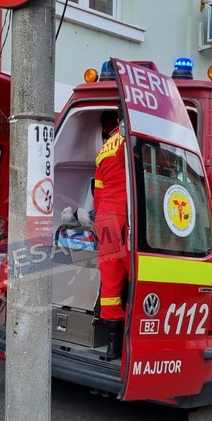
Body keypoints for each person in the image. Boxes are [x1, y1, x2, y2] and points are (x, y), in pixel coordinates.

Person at [93, 109, 129, 361]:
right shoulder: (132, 138)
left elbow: (98, 194)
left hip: (105, 218)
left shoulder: (104, 149)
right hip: (129, 215)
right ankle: (130, 342)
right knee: (137, 276)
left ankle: (112, 347)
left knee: (111, 281)